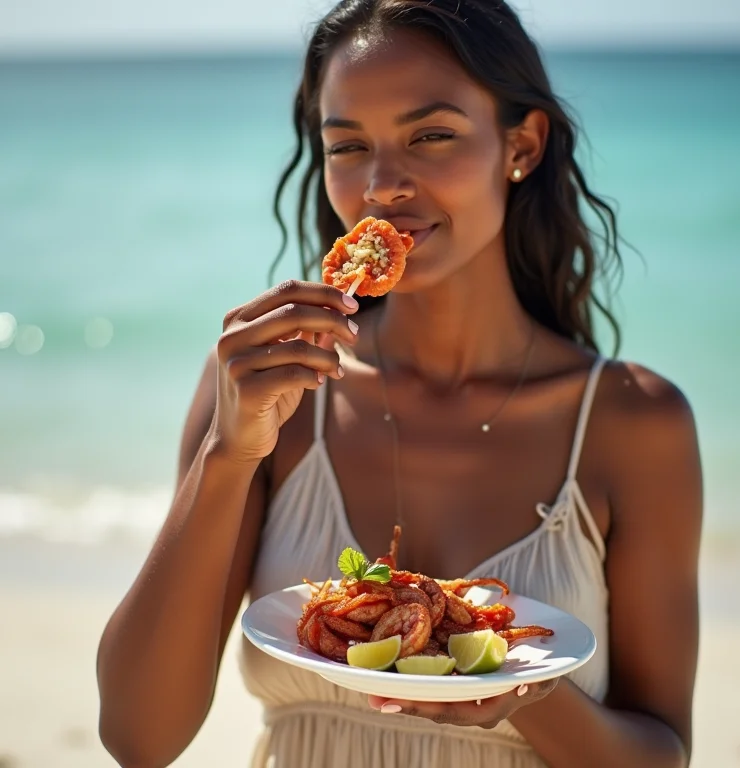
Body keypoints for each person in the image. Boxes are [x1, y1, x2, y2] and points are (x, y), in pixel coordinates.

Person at [96, 1, 703, 766]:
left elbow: (661, 752)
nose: (382, 186)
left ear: (521, 145)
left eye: (431, 135)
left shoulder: (633, 424)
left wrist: (529, 701)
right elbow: (136, 737)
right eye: (347, 145)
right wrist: (229, 454)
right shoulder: (271, 394)